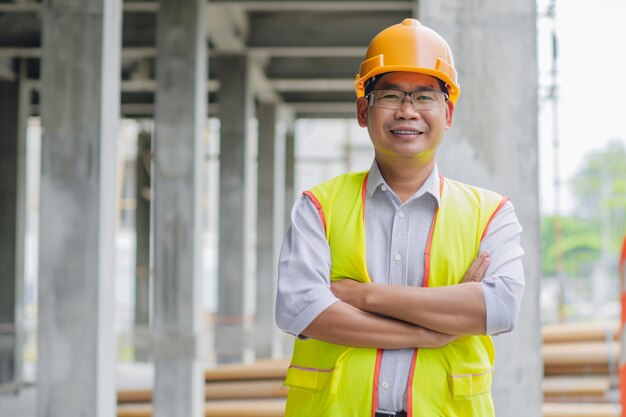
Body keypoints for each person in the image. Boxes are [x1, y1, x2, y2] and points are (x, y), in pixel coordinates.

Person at [275, 18, 524, 417]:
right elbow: (300, 309)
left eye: (425, 96)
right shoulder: (318, 206)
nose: (407, 111)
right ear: (363, 110)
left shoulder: (490, 213)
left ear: (449, 113)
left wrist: (363, 296)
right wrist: (431, 332)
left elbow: (499, 308)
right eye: (390, 95)